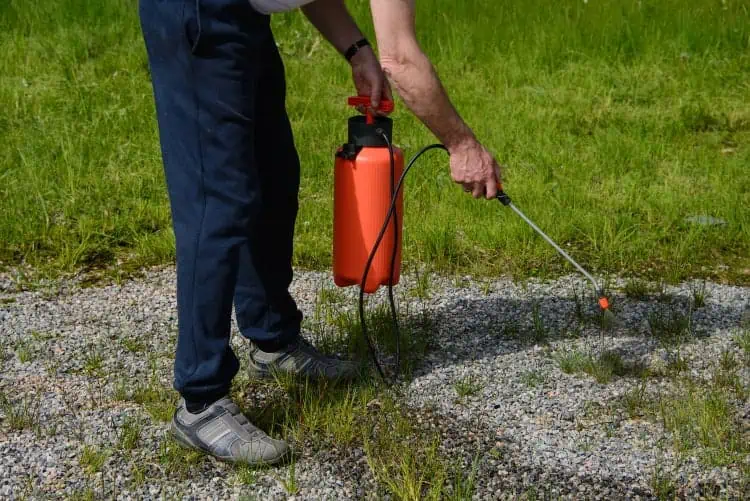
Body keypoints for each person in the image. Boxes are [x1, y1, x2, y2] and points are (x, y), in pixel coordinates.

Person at [138, 0, 502, 465]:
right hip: (198, 13)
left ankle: (272, 340)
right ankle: (201, 399)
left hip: (245, 15)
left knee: (273, 180)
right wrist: (462, 144)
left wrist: (355, 49)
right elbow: (402, 59)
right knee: (218, 203)